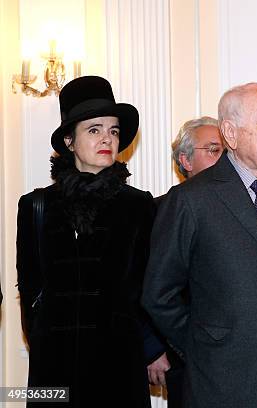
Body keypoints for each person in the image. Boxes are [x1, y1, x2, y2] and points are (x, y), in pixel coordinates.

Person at [142, 82, 257, 408]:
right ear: (230, 133)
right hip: (222, 380)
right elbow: (159, 293)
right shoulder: (191, 200)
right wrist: (205, 343)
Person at [16, 76, 154, 407]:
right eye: (94, 129)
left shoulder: (139, 204)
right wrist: (46, 335)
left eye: (114, 130)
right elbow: (30, 287)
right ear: (69, 141)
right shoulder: (35, 206)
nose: (107, 138)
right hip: (53, 369)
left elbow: (149, 286)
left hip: (119, 366)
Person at [144, 116, 224, 408]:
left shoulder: (251, 211)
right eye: (214, 150)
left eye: (228, 152)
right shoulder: (157, 210)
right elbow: (148, 287)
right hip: (181, 354)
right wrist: (154, 349)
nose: (224, 159)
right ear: (185, 160)